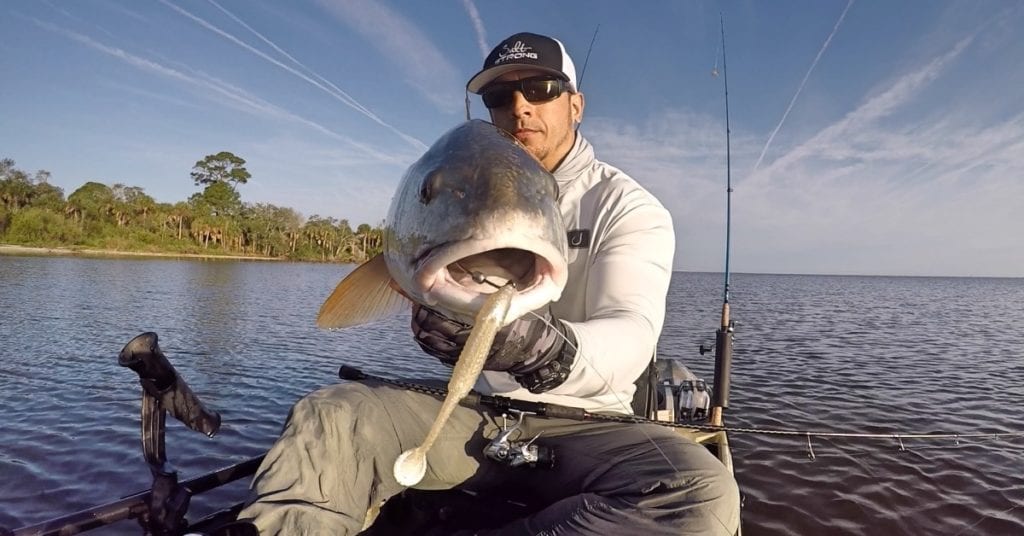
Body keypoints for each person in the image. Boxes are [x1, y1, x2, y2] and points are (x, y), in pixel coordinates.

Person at [238, 32, 740, 535]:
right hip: (475, 413)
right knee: (330, 416)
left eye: (542, 88)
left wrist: (539, 350)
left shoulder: (627, 206)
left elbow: (631, 334)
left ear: (577, 105)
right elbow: (401, 261)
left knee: (700, 495)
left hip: (593, 425)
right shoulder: (463, 182)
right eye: (500, 97)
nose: (520, 107)